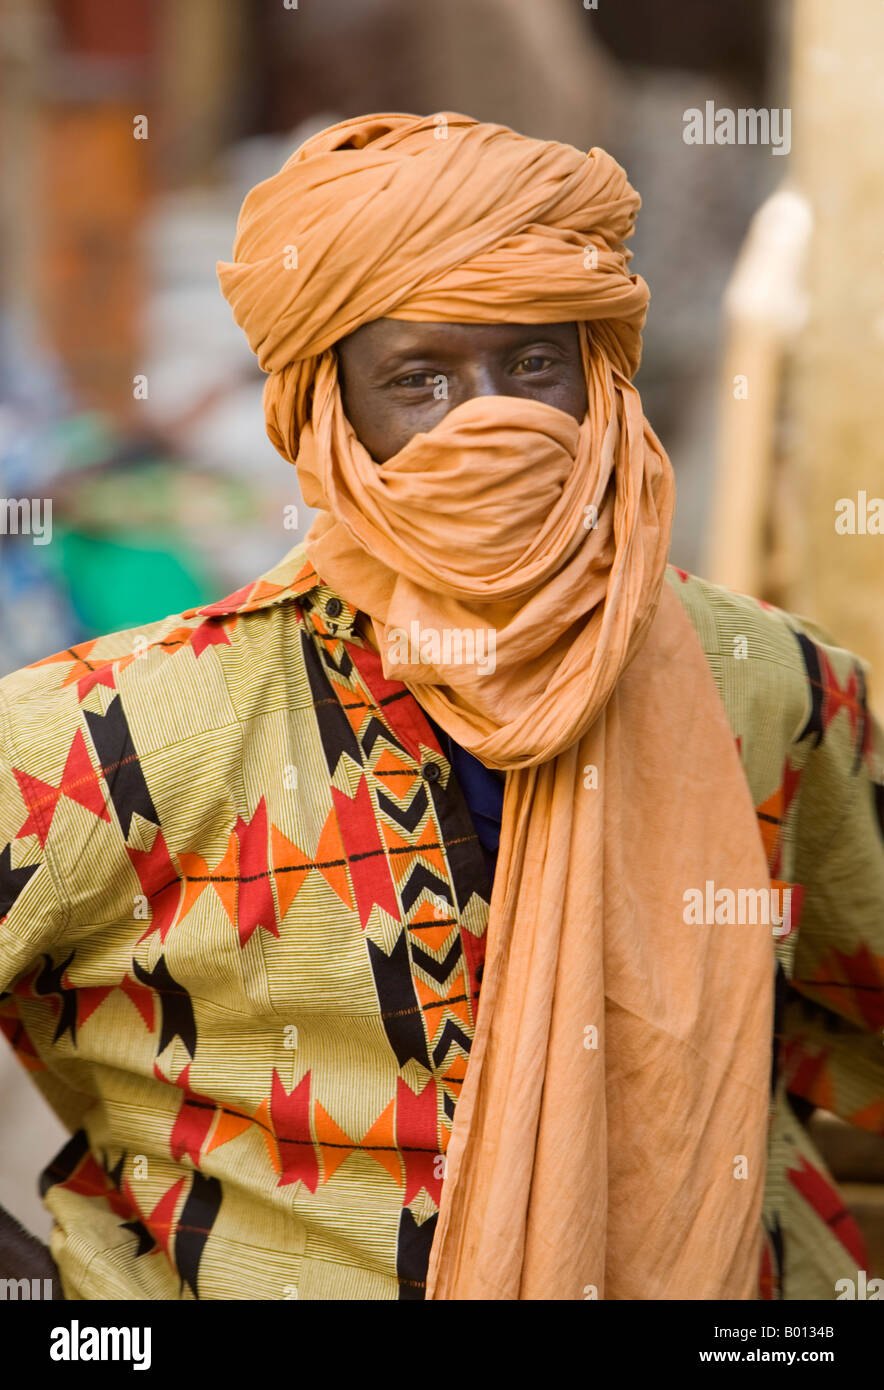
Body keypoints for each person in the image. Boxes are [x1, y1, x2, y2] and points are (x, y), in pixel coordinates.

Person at [0, 112, 881, 1302]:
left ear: (602, 379)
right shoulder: (109, 736)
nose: (493, 423)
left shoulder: (772, 684)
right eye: (421, 380)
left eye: (532, 367)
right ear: (328, 420)